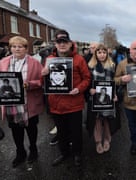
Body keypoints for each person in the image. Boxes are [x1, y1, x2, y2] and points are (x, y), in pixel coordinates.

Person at [41, 30, 91, 167]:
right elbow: (42, 82)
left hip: (74, 103)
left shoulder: (79, 59)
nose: (62, 45)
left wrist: (79, 89)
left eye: (65, 42)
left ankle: (77, 154)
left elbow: (87, 78)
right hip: (56, 104)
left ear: (70, 43)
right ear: (55, 44)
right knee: (61, 132)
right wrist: (43, 74)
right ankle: (64, 153)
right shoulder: (49, 59)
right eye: (59, 42)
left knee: (76, 132)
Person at [0, 36, 44, 167]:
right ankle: (20, 152)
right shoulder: (3, 62)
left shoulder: (34, 63)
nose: (16, 49)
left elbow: (42, 81)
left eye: (20, 46)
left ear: (26, 49)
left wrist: (29, 84)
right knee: (16, 130)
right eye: (13, 46)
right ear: (10, 48)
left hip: (29, 102)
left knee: (31, 128)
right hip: (11, 102)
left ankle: (33, 150)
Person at [86, 44, 118, 154]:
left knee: (108, 120)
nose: (102, 54)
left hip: (109, 99)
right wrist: (90, 89)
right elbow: (88, 82)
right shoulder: (91, 66)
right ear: (96, 54)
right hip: (96, 99)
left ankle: (107, 140)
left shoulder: (112, 65)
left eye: (104, 52)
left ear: (107, 53)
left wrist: (115, 94)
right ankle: (98, 141)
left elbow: (116, 82)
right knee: (97, 120)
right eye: (99, 52)